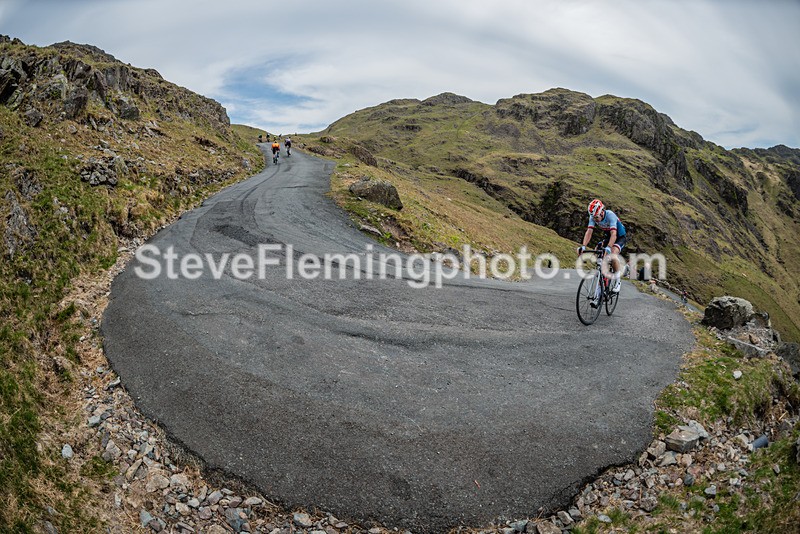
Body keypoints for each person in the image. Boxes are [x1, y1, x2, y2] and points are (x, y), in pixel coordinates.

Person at [577, 199, 627, 293]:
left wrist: (608, 248)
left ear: (601, 212)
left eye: (596, 217)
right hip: (608, 237)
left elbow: (613, 234)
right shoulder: (592, 216)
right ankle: (603, 278)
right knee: (598, 251)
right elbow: (589, 232)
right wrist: (583, 246)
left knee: (612, 253)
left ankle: (617, 279)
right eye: (593, 217)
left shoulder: (610, 215)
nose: (595, 219)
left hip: (619, 236)